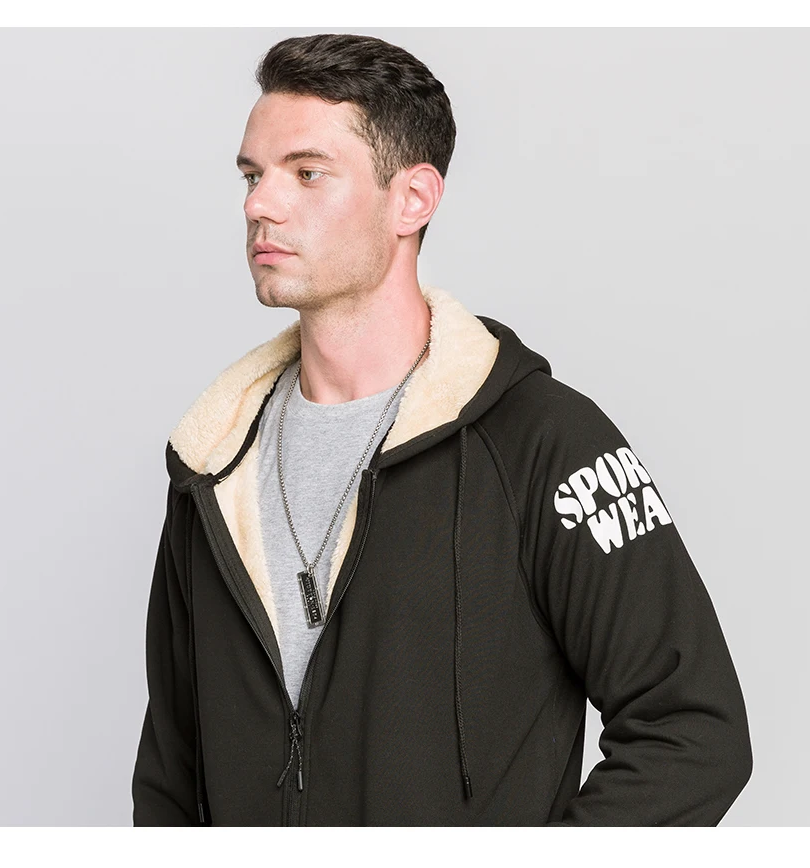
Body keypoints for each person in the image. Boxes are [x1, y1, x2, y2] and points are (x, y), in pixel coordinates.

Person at [131, 32, 752, 827]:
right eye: (253, 176)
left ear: (413, 199)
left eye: (307, 173)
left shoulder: (544, 443)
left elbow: (693, 732)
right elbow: (171, 776)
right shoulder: (214, 462)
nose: (260, 205)